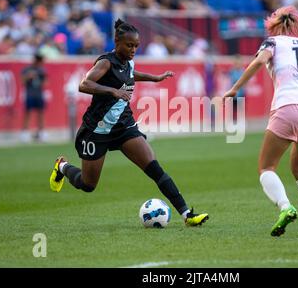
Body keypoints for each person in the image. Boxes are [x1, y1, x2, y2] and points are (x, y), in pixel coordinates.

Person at [49, 19, 209, 227]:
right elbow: (84, 84)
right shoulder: (105, 62)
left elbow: (132, 75)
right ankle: (62, 166)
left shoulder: (129, 63)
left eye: (136, 46)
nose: (133, 49)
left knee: (154, 168)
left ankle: (187, 214)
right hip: (97, 130)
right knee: (87, 184)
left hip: (124, 126)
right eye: (129, 45)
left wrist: (156, 78)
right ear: (117, 42)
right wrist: (113, 91)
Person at [223, 6, 298, 237]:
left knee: (266, 167)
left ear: (273, 26)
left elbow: (259, 63)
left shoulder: (272, 42)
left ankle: (285, 207)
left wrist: (235, 88)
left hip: (288, 105)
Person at [21, 53, 47, 142]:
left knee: (41, 114)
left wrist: (40, 79)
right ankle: (25, 134)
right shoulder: (27, 69)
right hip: (30, 94)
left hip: (39, 94)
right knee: (27, 113)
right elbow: (22, 81)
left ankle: (41, 133)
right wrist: (29, 76)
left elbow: (46, 82)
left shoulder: (42, 70)